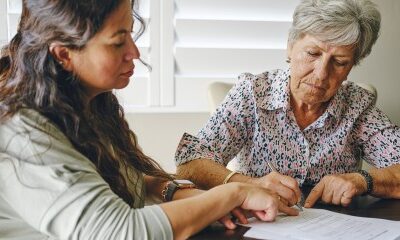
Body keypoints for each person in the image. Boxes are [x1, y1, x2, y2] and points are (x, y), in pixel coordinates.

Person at [0, 0, 299, 239]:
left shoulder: (82, 105)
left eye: (131, 33)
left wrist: (175, 191)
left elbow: (113, 180)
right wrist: (234, 192)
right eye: (118, 42)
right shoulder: (21, 132)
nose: (134, 52)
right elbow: (120, 231)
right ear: (64, 54)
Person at [175, 0, 400, 209]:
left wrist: (364, 180)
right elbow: (190, 162)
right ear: (290, 47)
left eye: (340, 62)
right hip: (261, 222)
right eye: (312, 53)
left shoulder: (357, 105)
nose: (321, 74)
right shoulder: (252, 94)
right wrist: (250, 184)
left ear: (353, 65)